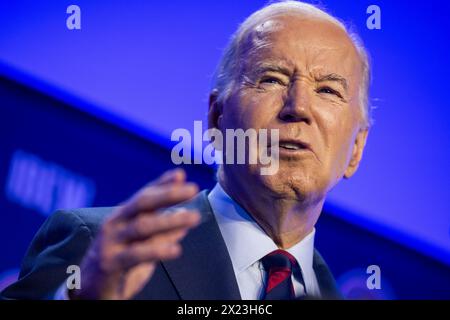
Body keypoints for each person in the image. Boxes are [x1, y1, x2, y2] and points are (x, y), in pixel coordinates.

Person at [1, 0, 370, 300]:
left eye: (328, 91)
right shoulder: (96, 252)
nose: (298, 107)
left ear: (355, 148)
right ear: (216, 119)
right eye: (270, 78)